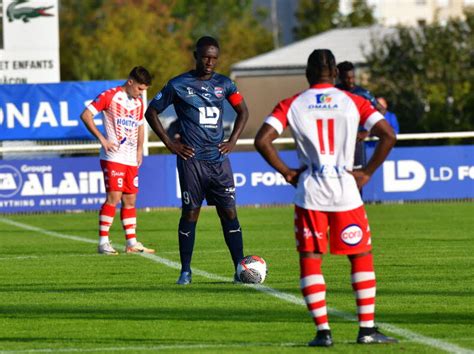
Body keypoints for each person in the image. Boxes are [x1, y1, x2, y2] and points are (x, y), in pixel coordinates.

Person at [254, 49, 397, 347]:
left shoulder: (292, 104)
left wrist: (286, 172)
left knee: (310, 258)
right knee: (360, 255)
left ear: (307, 72)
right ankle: (367, 329)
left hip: (311, 190)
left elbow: (262, 139)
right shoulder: (353, 101)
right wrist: (367, 172)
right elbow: (388, 135)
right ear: (334, 72)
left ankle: (323, 333)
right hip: (346, 189)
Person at [145, 36, 249, 285]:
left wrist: (233, 140)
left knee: (229, 213)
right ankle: (186, 271)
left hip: (219, 161)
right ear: (196, 55)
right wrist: (170, 144)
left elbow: (243, 111)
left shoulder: (225, 84)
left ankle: (239, 268)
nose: (210, 62)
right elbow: (151, 112)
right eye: (205, 57)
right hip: (192, 162)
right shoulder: (179, 84)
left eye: (214, 58)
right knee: (191, 213)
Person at [80, 66, 155, 255]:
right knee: (113, 197)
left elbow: (139, 127)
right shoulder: (110, 96)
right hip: (113, 156)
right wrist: (102, 139)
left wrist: (139, 150)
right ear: (130, 82)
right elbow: (86, 115)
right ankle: (103, 243)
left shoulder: (138, 103)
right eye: (140, 89)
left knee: (130, 200)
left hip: (130, 158)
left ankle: (132, 243)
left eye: (144, 90)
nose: (141, 93)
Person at [336, 61, 382, 171]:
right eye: (347, 78)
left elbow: (381, 110)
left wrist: (368, 131)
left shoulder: (362, 93)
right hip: (338, 140)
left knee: (357, 177)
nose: (351, 81)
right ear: (340, 77)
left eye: (353, 77)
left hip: (356, 141)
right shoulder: (334, 92)